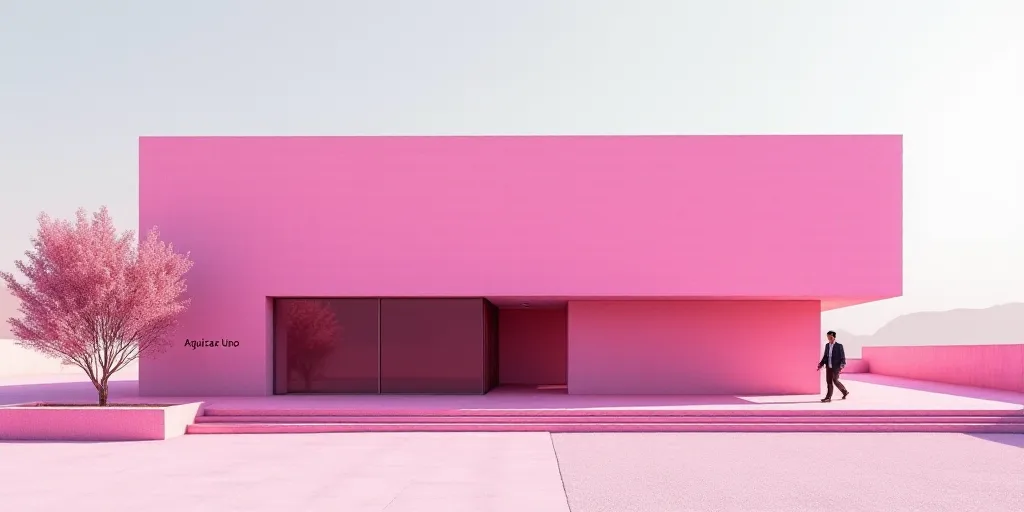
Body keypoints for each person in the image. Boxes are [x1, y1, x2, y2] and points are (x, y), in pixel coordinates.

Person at [817, 330, 848, 402]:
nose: (829, 338)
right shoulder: (827, 345)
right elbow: (825, 356)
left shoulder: (839, 346)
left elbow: (842, 357)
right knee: (829, 381)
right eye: (828, 337)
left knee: (835, 380)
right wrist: (820, 364)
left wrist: (842, 366)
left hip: (836, 367)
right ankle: (828, 397)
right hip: (828, 366)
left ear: (834, 337)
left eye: (830, 337)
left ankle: (844, 391)